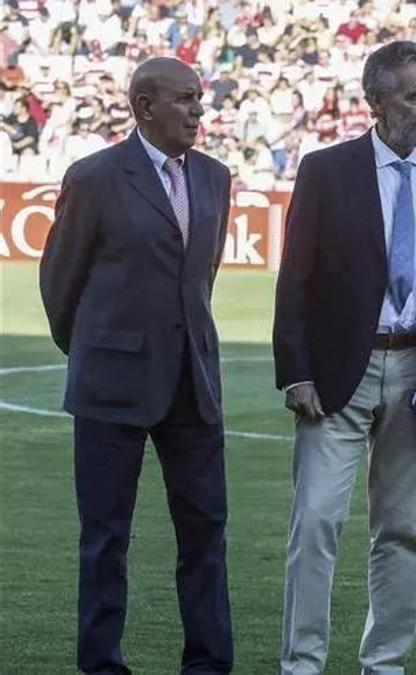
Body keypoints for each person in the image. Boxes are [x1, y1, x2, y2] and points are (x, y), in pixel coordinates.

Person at [272, 40, 416, 674]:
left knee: (400, 530)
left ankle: (384, 665)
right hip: (341, 369)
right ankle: (301, 666)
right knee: (314, 524)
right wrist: (296, 370)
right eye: (414, 96)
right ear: (376, 101)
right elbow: (296, 276)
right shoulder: (326, 170)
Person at [39, 56, 234, 675]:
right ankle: (101, 665)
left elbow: (202, 275)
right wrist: (99, 349)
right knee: (106, 539)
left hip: (192, 385)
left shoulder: (215, 177)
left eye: (200, 98)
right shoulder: (96, 176)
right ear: (144, 106)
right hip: (111, 386)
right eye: (185, 99)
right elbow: (59, 281)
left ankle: (208, 663)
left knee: (205, 534)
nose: (198, 110)